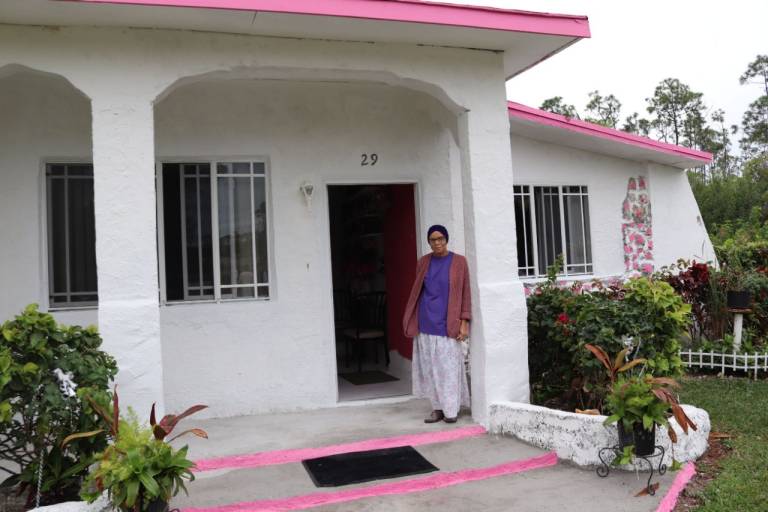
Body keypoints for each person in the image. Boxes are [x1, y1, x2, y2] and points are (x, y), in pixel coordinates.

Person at [402, 225, 471, 423]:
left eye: (440, 238)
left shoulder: (459, 262)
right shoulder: (423, 262)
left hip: (448, 324)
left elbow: (465, 293)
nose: (437, 243)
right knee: (431, 370)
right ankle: (437, 409)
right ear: (429, 242)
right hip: (426, 323)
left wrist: (464, 322)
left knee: (448, 370)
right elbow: (418, 291)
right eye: (433, 240)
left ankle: (451, 410)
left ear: (446, 239)